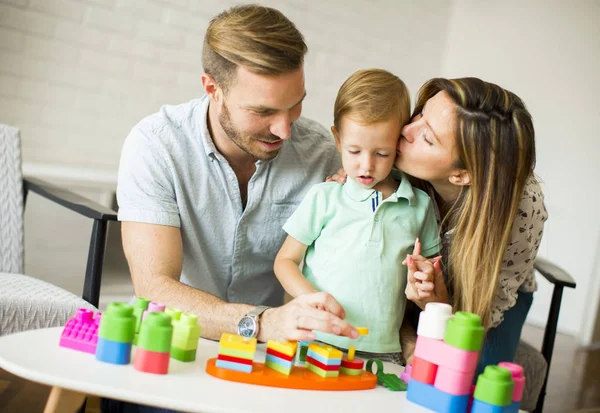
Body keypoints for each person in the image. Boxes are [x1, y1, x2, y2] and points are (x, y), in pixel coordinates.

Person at [117, 4, 359, 353]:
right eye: (263, 111)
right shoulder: (156, 146)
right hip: (177, 340)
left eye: (295, 105)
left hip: (274, 354)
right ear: (212, 88)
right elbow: (153, 286)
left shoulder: (322, 154)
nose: (284, 130)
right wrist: (261, 323)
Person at [330, 77, 547, 373]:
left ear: (461, 175)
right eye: (420, 114)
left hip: (488, 299)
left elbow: (478, 316)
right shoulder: (394, 158)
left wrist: (439, 302)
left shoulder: (522, 207)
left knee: (469, 376)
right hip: (414, 289)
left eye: (427, 138)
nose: (405, 130)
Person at [274, 69, 441, 364]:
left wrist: (428, 276)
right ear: (337, 139)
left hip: (384, 350)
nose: (366, 165)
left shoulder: (420, 205)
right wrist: (310, 297)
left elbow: (433, 272)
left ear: (399, 144)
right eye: (354, 151)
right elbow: (284, 261)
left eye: (382, 153)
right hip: (315, 340)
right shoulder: (324, 197)